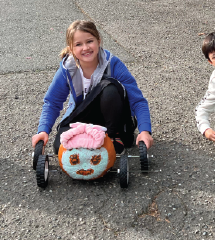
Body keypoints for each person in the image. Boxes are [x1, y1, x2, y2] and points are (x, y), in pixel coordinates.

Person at [32, 20, 153, 155]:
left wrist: (144, 131)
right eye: (78, 44)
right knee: (60, 147)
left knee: (110, 88)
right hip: (83, 118)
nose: (85, 48)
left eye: (89, 41)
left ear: (98, 41)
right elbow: (52, 102)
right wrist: (43, 131)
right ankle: (91, 141)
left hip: (112, 122)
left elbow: (137, 100)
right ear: (71, 48)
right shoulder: (68, 68)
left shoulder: (113, 64)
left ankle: (113, 137)